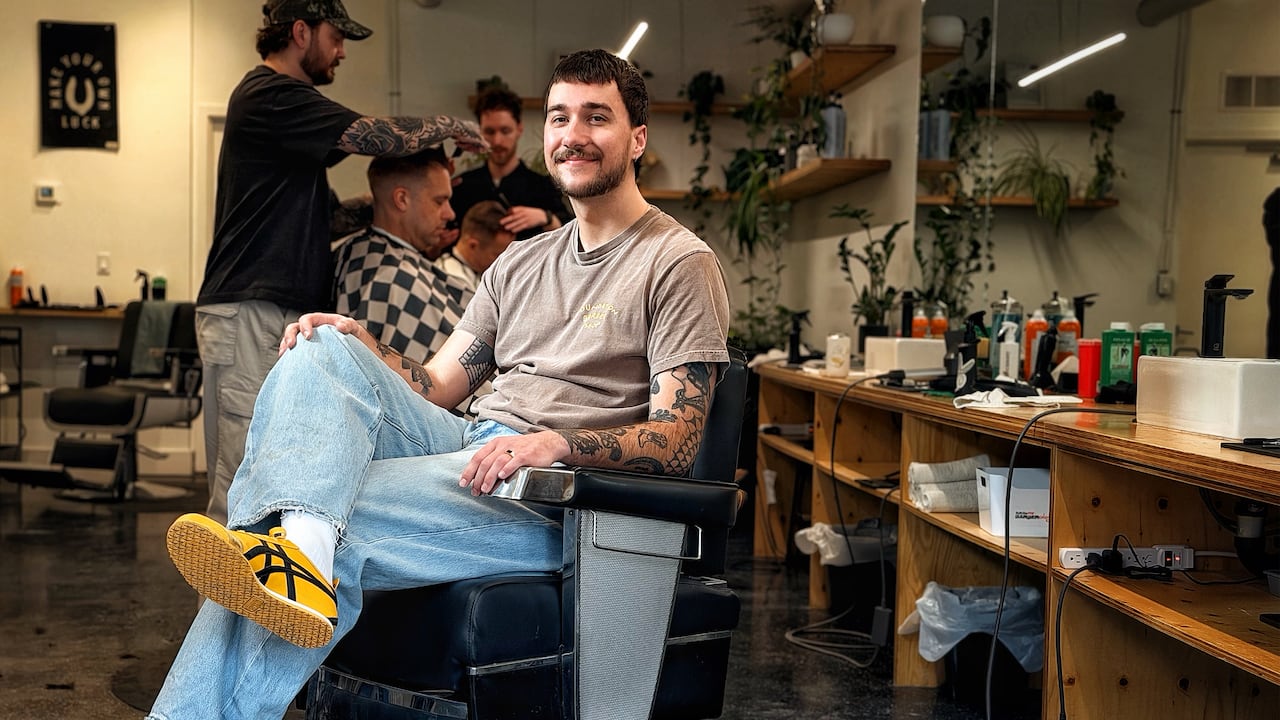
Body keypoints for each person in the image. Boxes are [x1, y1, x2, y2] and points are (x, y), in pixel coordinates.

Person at [147, 49, 730, 719]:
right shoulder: (521, 263)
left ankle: (295, 562)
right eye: (562, 116)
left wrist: (554, 445)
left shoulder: (677, 261)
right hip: (466, 448)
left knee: (302, 523)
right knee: (323, 345)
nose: (575, 134)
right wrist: (363, 344)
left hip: (550, 499)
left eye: (598, 117)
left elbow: (677, 441)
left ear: (637, 138)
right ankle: (302, 562)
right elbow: (435, 385)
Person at [196, 0, 487, 525]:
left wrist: (403, 206)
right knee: (242, 481)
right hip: (250, 311)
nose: (342, 51)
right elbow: (371, 133)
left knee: (277, 473)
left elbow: (328, 220)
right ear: (301, 32)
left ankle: (272, 602)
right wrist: (449, 125)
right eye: (336, 37)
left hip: (276, 313)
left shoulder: (288, 128)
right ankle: (223, 607)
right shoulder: (270, 95)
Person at [333, 148, 487, 414]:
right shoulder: (388, 275)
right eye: (440, 201)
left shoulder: (380, 258)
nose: (450, 214)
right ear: (402, 199)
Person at [447, 86, 573, 243]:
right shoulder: (462, 187)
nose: (497, 141)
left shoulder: (542, 187)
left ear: (519, 129)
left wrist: (546, 218)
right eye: (490, 132)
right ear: (480, 132)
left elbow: (572, 237)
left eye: (505, 131)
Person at [435, 200, 516, 293]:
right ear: (473, 245)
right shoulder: (450, 278)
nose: (505, 262)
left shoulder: (483, 272)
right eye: (497, 255)